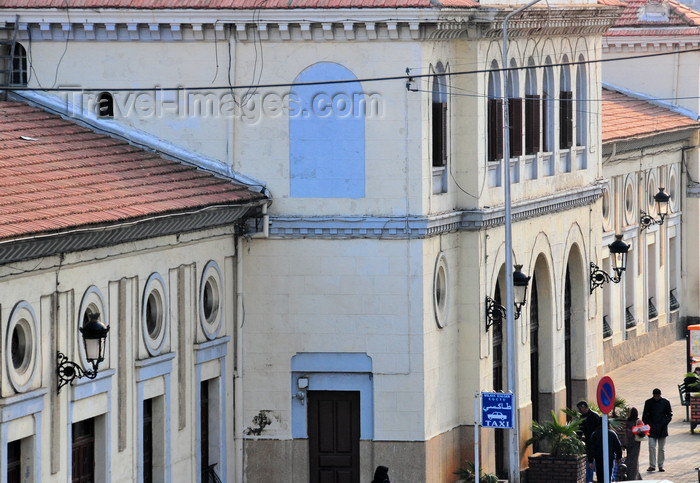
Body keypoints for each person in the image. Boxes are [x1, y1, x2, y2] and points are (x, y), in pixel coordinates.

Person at [642, 387, 672, 473]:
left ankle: (660, 465)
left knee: (661, 449)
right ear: (653, 395)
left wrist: (665, 422)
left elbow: (669, 414)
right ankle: (652, 465)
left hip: (662, 428)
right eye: (655, 396)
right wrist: (647, 424)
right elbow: (644, 416)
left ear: (660, 395)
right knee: (651, 447)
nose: (656, 398)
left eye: (658, 396)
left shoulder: (665, 402)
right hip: (652, 428)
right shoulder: (648, 402)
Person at [586, 418, 623, 483]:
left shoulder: (595, 434)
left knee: (600, 477)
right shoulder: (612, 434)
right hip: (609, 458)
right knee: (608, 476)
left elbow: (591, 449)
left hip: (598, 459)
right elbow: (618, 447)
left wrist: (590, 461)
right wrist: (618, 457)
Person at [577, 400, 601, 483]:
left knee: (595, 460)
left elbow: (599, 428)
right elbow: (580, 429)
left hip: (596, 442)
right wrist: (578, 438)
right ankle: (589, 479)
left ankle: (596, 477)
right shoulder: (582, 417)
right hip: (588, 441)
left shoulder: (594, 416)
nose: (579, 411)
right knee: (589, 459)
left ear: (585, 407)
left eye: (580, 409)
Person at [623, 407, 643, 480]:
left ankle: (633, 478)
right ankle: (636, 477)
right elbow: (625, 433)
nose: (628, 414)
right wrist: (624, 444)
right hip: (629, 444)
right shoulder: (627, 421)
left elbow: (644, 431)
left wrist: (638, 431)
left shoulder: (638, 421)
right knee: (629, 460)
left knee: (633, 461)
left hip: (635, 443)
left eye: (629, 412)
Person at [684, 367, 700, 433]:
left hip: (689, 395)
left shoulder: (693, 376)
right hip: (689, 396)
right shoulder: (694, 378)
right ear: (697, 371)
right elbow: (694, 388)